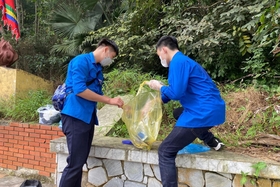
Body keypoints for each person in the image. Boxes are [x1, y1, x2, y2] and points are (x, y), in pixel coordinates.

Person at [146, 36, 226, 187]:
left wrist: (158, 86)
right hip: (212, 109)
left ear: (164, 50)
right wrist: (152, 104)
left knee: (165, 151)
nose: (160, 59)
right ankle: (212, 141)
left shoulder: (178, 62)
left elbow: (175, 93)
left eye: (159, 56)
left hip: (201, 112)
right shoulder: (183, 61)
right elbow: (174, 92)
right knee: (178, 113)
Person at [59, 38, 124, 187]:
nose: (110, 60)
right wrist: (109, 100)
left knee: (79, 162)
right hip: (75, 116)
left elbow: (95, 94)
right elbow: (80, 90)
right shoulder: (81, 61)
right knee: (74, 163)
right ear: (105, 49)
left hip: (87, 118)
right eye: (112, 57)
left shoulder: (98, 70)